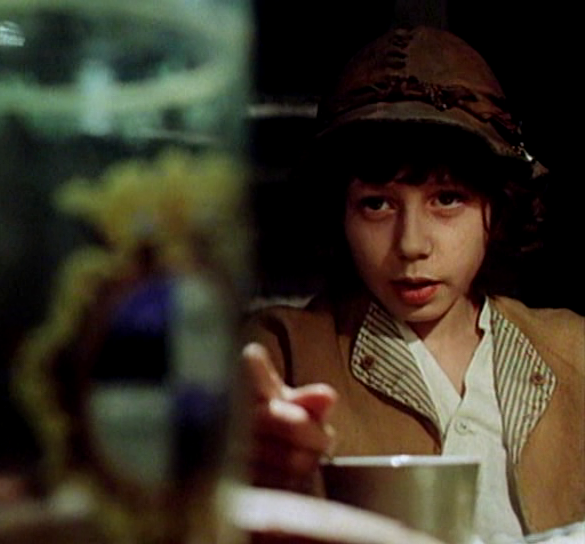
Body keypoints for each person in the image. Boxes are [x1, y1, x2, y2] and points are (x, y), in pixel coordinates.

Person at [241, 25, 584, 543]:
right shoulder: (282, 352)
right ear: (339, 215)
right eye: (377, 204)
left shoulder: (574, 350)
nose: (411, 245)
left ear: (496, 205)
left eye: (447, 199)